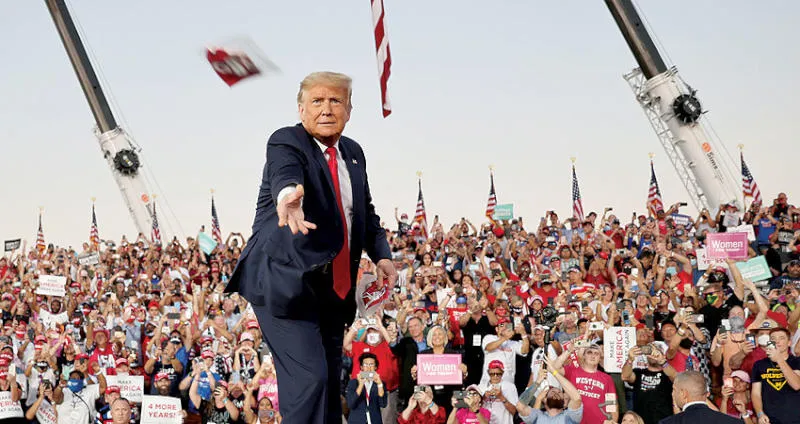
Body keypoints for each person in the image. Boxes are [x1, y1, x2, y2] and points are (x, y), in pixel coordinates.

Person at [224, 71, 397, 424]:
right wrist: (289, 195)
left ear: (349, 109)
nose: (326, 109)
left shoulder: (353, 153)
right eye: (317, 101)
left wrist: (382, 255)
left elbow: (364, 212)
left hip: (333, 291)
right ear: (301, 109)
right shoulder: (287, 141)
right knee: (310, 380)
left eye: (335, 101)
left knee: (329, 386)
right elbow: (285, 174)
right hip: (283, 285)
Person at [751, 328, 800, 424]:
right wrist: (760, 414)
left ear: (789, 343)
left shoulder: (796, 361)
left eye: (781, 338)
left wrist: (779, 359)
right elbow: (756, 393)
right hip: (769, 419)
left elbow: (796, 385)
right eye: (773, 338)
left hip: (794, 419)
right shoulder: (759, 365)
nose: (777, 341)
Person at [515, 355, 583, 424]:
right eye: (552, 392)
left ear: (565, 403)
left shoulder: (570, 416)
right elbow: (520, 406)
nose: (556, 393)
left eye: (559, 392)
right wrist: (537, 382)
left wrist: (554, 371)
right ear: (545, 399)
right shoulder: (536, 416)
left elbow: (576, 398)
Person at [658, 371, 741, 424]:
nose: (673, 394)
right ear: (706, 393)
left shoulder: (668, 423)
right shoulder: (733, 422)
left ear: (683, 393)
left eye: (674, 390)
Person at [345, 352, 386, 424]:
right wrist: (360, 385)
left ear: (376, 367)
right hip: (357, 421)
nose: (368, 367)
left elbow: (383, 404)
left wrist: (379, 384)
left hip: (375, 421)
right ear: (361, 367)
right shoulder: (353, 383)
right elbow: (350, 404)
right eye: (365, 364)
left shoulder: (380, 383)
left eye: (371, 364)